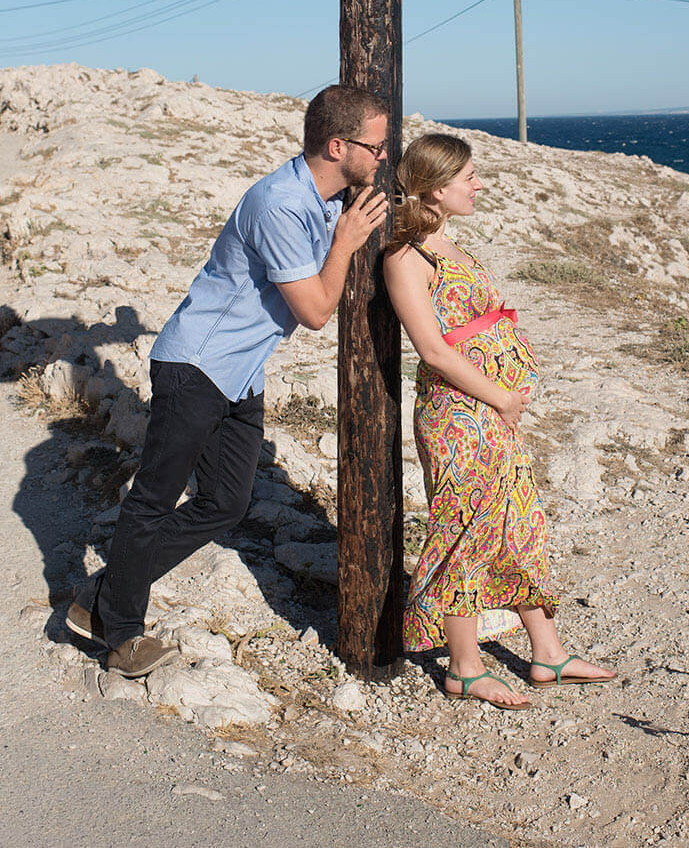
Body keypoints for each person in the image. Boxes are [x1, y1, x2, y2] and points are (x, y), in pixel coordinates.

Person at [66, 84, 389, 679]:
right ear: (338, 145)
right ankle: (122, 634)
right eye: (377, 146)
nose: (384, 158)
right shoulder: (280, 206)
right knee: (153, 500)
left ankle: (102, 597)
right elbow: (315, 311)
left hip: (238, 371)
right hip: (198, 367)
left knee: (226, 503)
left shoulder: (322, 196)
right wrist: (345, 242)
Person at [383, 134, 616, 709]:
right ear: (437, 188)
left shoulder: (451, 244)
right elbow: (432, 349)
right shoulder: (405, 257)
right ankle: (463, 668)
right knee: (464, 527)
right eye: (468, 177)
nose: (478, 184)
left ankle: (548, 653)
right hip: (458, 413)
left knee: (518, 520)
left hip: (490, 408)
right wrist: (500, 398)